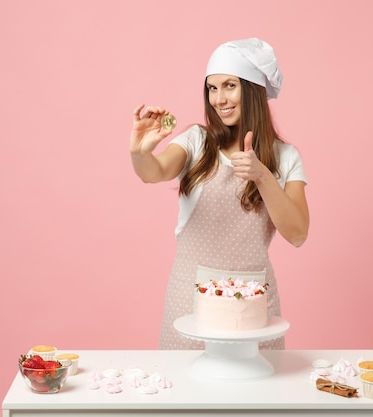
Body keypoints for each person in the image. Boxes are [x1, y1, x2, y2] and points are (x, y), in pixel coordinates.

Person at [129, 38, 309, 350]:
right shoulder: (196, 141)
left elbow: (297, 234)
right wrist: (140, 152)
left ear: (252, 90)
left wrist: (262, 176)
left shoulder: (286, 157)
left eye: (229, 86)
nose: (218, 99)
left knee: (255, 393)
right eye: (212, 88)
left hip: (254, 313)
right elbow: (154, 172)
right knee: (188, 394)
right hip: (190, 302)